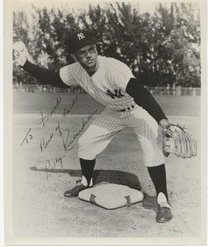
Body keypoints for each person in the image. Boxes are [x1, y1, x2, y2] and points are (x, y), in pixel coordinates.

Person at [13, 30, 173, 223]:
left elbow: (140, 93)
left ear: (96, 49)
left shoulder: (113, 68)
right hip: (113, 112)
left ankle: (163, 202)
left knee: (152, 152)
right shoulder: (75, 71)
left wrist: (162, 120)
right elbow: (54, 79)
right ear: (74, 56)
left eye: (91, 49)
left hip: (137, 109)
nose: (88, 55)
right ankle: (85, 183)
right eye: (82, 52)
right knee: (86, 142)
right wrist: (25, 64)